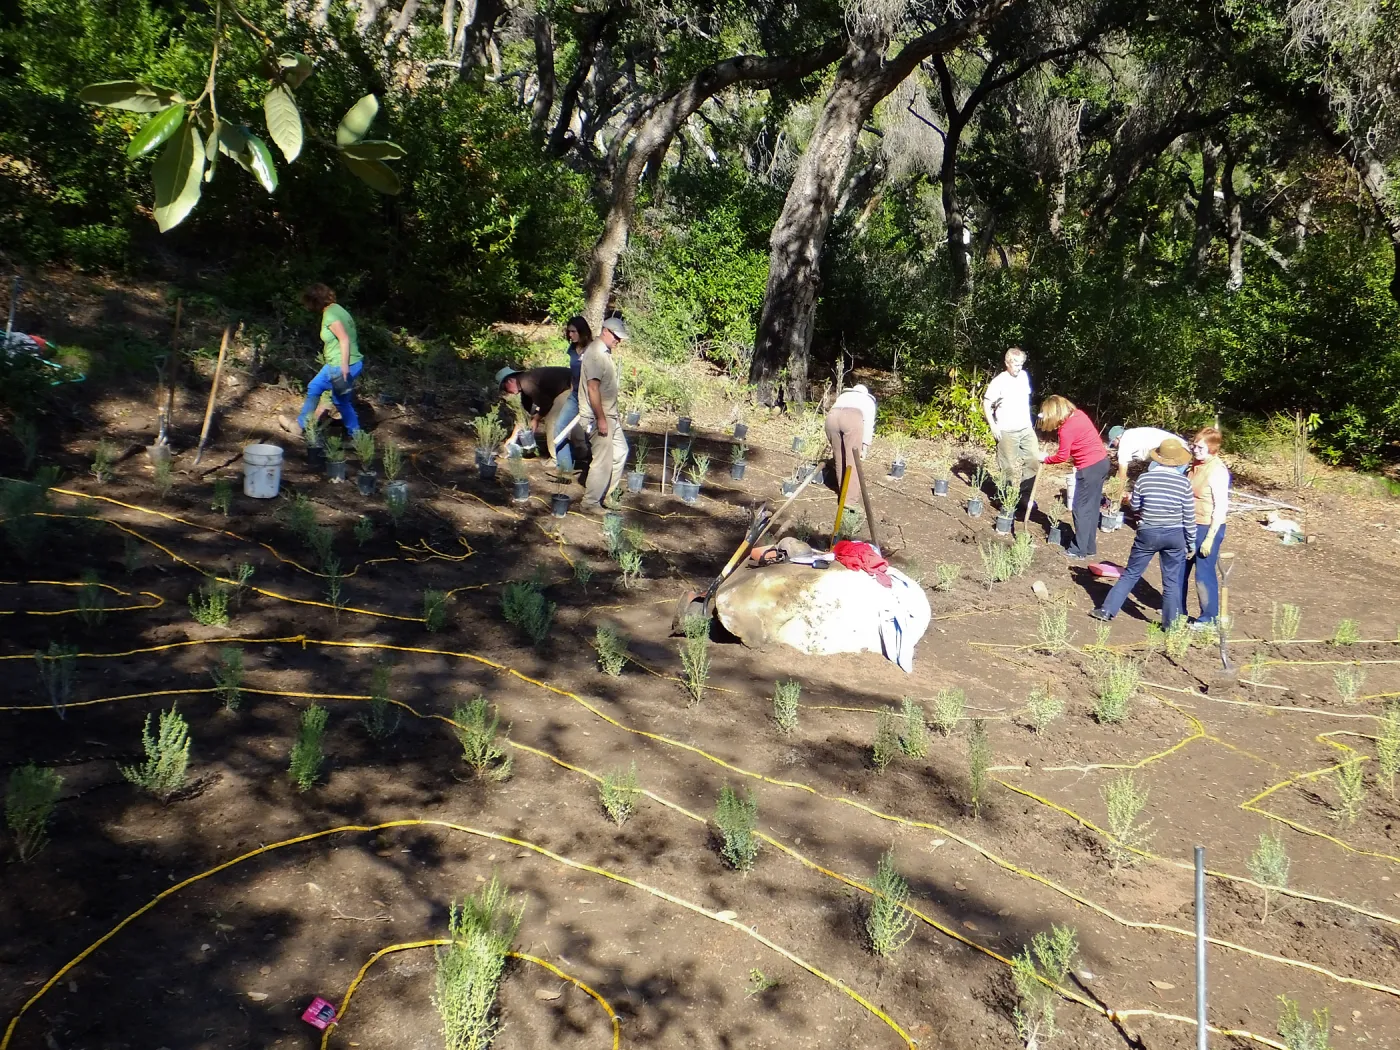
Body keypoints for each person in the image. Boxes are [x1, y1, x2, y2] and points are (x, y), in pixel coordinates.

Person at [1091, 438, 1196, 624]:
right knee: (1171, 581)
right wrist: (1191, 541)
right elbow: (1189, 515)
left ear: (1158, 458)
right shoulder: (1184, 483)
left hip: (1148, 532)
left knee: (1131, 573)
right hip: (1175, 535)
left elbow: (1135, 505)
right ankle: (1170, 624)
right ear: (1178, 461)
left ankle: (1107, 610)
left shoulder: (1144, 478)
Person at [280, 283, 363, 437]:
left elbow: (344, 339)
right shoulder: (339, 310)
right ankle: (301, 425)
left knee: (341, 401)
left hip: (342, 365)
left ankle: (357, 437)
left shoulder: (330, 315)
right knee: (315, 387)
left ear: (315, 301)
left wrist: (344, 366)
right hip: (339, 363)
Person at [1037, 395, 1109, 559]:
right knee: (1091, 507)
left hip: (1089, 468)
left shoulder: (1066, 429)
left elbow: (1062, 456)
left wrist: (1045, 459)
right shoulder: (1079, 415)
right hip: (1102, 463)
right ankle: (1089, 547)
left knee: (1080, 508)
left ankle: (1078, 550)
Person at [1180, 426, 1231, 627]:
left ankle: (1208, 617)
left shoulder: (1217, 471)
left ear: (1213, 449)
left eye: (1200, 447)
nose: (1195, 450)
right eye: (1194, 446)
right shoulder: (1194, 466)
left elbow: (1221, 507)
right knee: (1180, 570)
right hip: (1189, 526)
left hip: (1207, 527)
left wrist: (1210, 536)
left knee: (1203, 574)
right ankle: (1177, 611)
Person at [579, 316, 629, 509]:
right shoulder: (596, 354)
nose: (619, 340)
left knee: (620, 453)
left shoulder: (605, 352)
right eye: (616, 336)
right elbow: (593, 388)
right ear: (605, 331)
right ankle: (590, 502)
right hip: (598, 416)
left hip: (610, 415)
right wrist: (601, 419)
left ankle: (607, 495)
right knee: (602, 460)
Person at [983, 347, 1037, 516]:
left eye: (1021, 364)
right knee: (1007, 467)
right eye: (1015, 364)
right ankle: (1005, 498)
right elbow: (986, 404)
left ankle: (1025, 496)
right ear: (1007, 363)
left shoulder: (1023, 377)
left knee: (1034, 460)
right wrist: (993, 425)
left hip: (1026, 428)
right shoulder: (999, 381)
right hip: (1006, 430)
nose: (1018, 368)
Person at [495, 364, 573, 460]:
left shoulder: (527, 383)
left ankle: (556, 458)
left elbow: (546, 404)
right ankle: (581, 450)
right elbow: (524, 415)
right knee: (564, 418)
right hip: (568, 386)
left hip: (571, 386)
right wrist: (513, 437)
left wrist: (536, 419)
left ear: (510, 380)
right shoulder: (523, 386)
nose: (507, 392)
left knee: (552, 420)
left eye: (505, 388)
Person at [825, 383, 876, 508]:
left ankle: (843, 491)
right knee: (852, 460)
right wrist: (865, 446)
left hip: (831, 418)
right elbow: (868, 424)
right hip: (851, 419)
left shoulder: (844, 396)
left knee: (839, 458)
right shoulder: (868, 400)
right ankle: (850, 501)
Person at [1108, 424, 1183, 486]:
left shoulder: (1125, 442)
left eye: (1113, 444)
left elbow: (1122, 473)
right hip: (1182, 449)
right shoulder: (1132, 433)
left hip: (1172, 451)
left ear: (1118, 438)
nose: (1115, 446)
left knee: (1154, 481)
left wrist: (1117, 492)